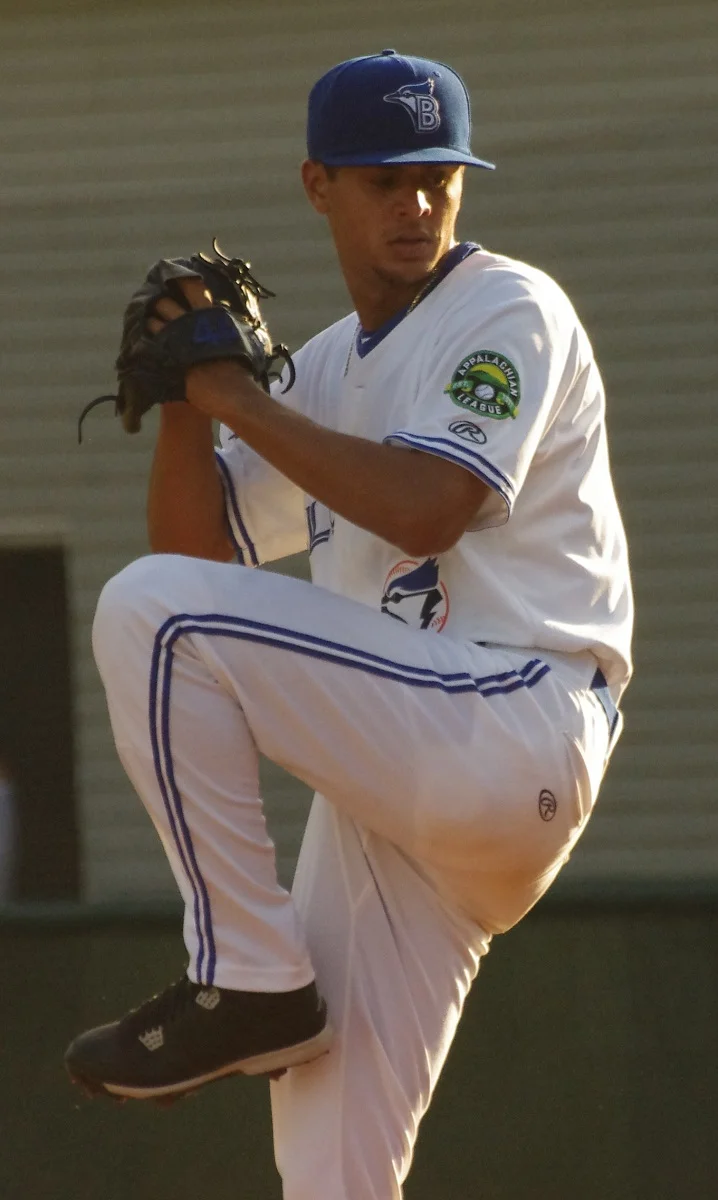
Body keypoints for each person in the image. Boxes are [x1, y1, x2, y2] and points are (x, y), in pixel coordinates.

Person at [65, 49, 633, 1199]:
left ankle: (246, 974)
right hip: (410, 787)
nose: (417, 203)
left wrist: (233, 396)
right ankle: (263, 986)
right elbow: (199, 555)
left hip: (513, 717)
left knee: (148, 617)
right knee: (327, 1169)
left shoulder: (505, 307)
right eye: (385, 179)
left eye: (438, 175)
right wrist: (186, 401)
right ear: (319, 184)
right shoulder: (325, 369)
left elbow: (428, 510)